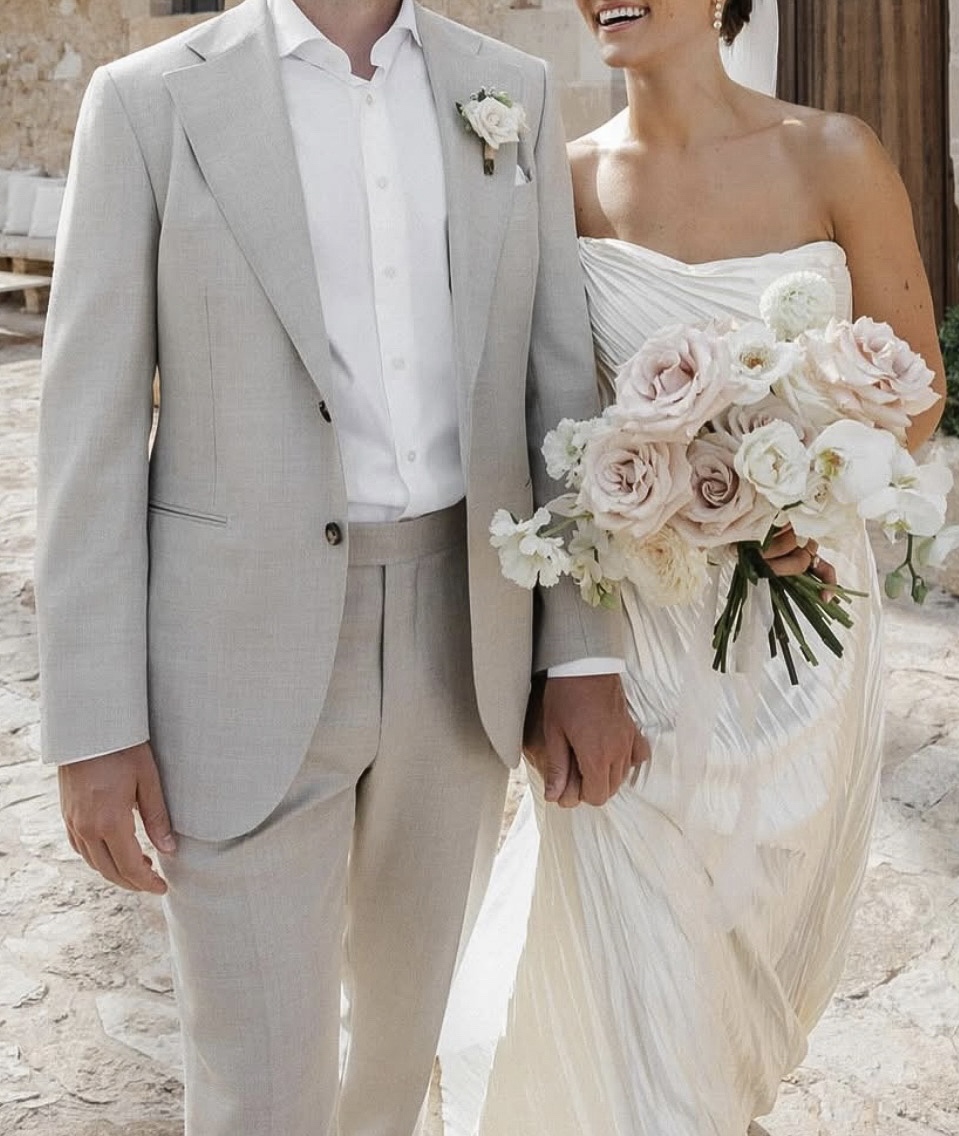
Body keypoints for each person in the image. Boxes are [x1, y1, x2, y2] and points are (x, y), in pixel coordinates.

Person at [33, 1, 644, 1133]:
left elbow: (556, 388)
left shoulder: (507, 85)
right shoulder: (147, 101)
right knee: (260, 1085)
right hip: (227, 658)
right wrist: (93, 720)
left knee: (396, 1067)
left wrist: (579, 649)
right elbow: (89, 428)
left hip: (461, 646)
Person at [438, 1, 946, 1133]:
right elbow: (536, 414)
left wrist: (804, 495)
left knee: (730, 961)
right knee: (628, 942)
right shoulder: (558, 182)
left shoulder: (833, 154)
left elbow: (911, 386)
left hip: (799, 630)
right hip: (635, 630)